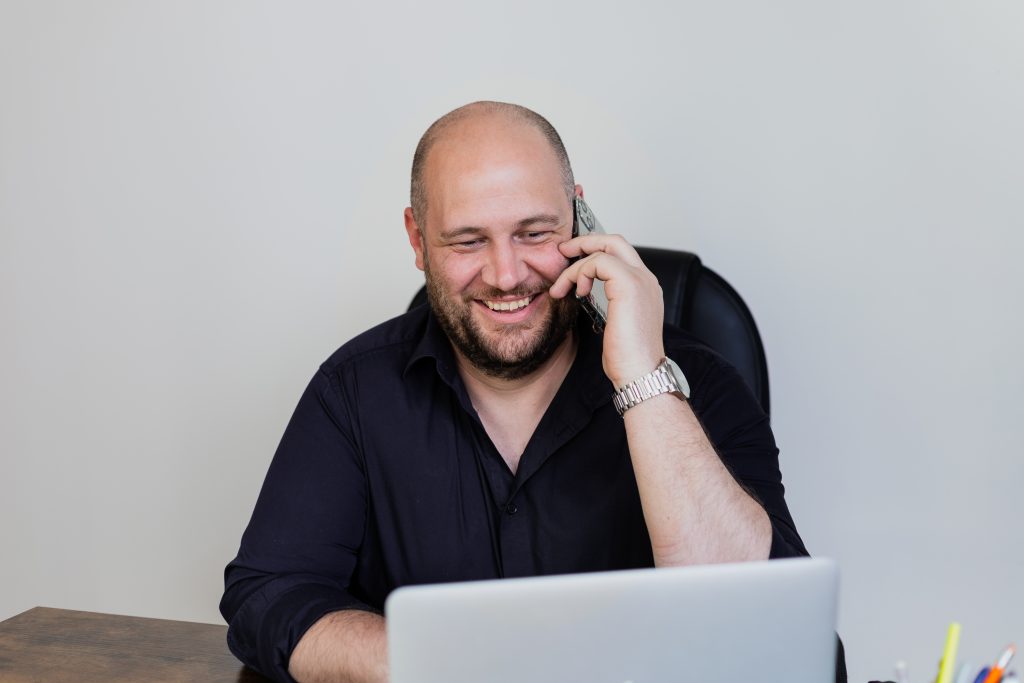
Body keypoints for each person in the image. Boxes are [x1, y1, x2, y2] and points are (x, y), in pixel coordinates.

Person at [220, 101, 808, 683]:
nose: (506, 275)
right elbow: (267, 597)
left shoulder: (697, 385)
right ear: (417, 238)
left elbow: (769, 628)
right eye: (468, 241)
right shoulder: (352, 391)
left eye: (534, 232)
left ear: (580, 216)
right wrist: (439, 664)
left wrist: (644, 380)